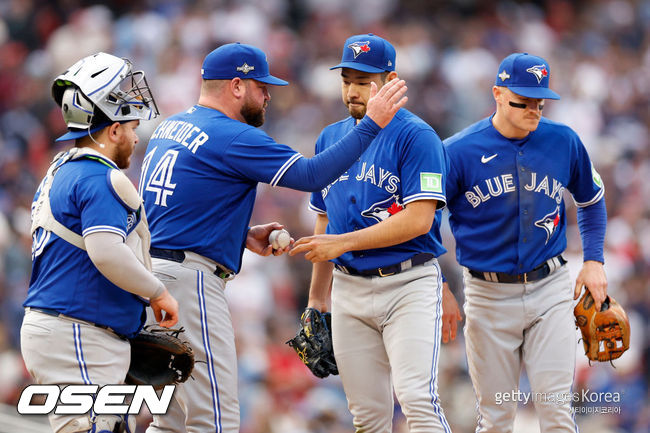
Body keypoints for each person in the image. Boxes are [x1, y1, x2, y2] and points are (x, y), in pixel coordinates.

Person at [139, 42, 407, 433]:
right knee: (214, 421)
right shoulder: (230, 134)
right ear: (236, 86)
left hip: (152, 275)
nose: (267, 95)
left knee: (173, 420)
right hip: (188, 284)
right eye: (260, 86)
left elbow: (169, 210)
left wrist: (238, 234)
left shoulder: (171, 126)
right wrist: (372, 124)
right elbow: (312, 176)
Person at [289, 34, 452, 433]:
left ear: (391, 79)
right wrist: (315, 299)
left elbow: (418, 220)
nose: (352, 90)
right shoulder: (331, 137)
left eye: (363, 81)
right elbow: (324, 220)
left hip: (408, 283)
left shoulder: (418, 136)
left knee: (416, 399)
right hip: (348, 290)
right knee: (367, 417)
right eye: (346, 79)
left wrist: (343, 243)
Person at [442, 52, 608, 432]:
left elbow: (591, 199)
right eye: (523, 101)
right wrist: (440, 285)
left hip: (549, 289)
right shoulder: (457, 151)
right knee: (497, 419)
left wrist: (594, 259)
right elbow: (424, 220)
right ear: (498, 94)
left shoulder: (563, 140)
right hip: (487, 295)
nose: (533, 109)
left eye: (539, 101)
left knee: (557, 414)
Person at [21, 52, 179, 433]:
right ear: (111, 131)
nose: (135, 134)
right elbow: (106, 251)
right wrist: (158, 293)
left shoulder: (63, 170)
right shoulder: (96, 177)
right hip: (77, 329)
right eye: (129, 125)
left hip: (68, 328)